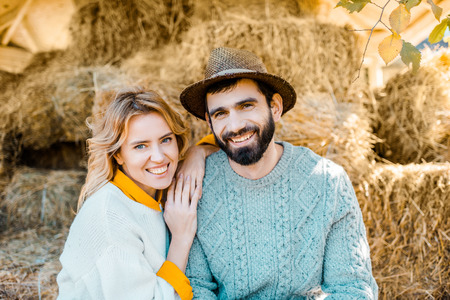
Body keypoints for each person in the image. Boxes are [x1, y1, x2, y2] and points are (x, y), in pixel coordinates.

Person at [179, 47, 379, 299]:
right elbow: (195, 286)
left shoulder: (328, 182)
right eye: (221, 113)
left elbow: (352, 288)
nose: (235, 125)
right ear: (209, 123)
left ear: (274, 107)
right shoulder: (196, 187)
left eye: (246, 106)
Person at [57, 88, 214, 299]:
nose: (159, 157)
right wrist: (181, 238)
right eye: (141, 146)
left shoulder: (155, 189)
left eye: (166, 140)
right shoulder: (111, 218)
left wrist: (199, 151)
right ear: (118, 155)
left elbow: (231, 141)